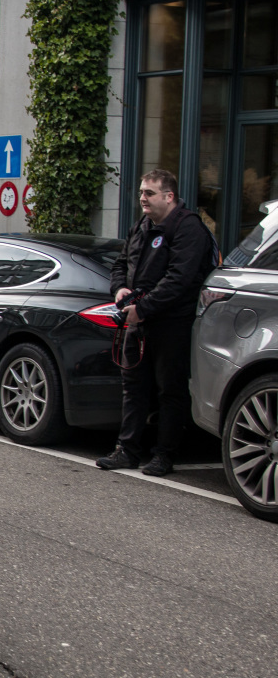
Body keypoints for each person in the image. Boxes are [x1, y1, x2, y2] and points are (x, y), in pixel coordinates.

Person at [96, 169, 216, 477]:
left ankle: (164, 455)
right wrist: (120, 288)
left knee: (170, 391)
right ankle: (127, 450)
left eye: (149, 193)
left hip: (172, 323)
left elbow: (180, 279)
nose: (142, 199)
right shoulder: (142, 226)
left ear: (169, 196)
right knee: (134, 387)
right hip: (138, 321)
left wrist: (144, 308)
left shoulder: (189, 228)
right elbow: (122, 263)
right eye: (140, 193)